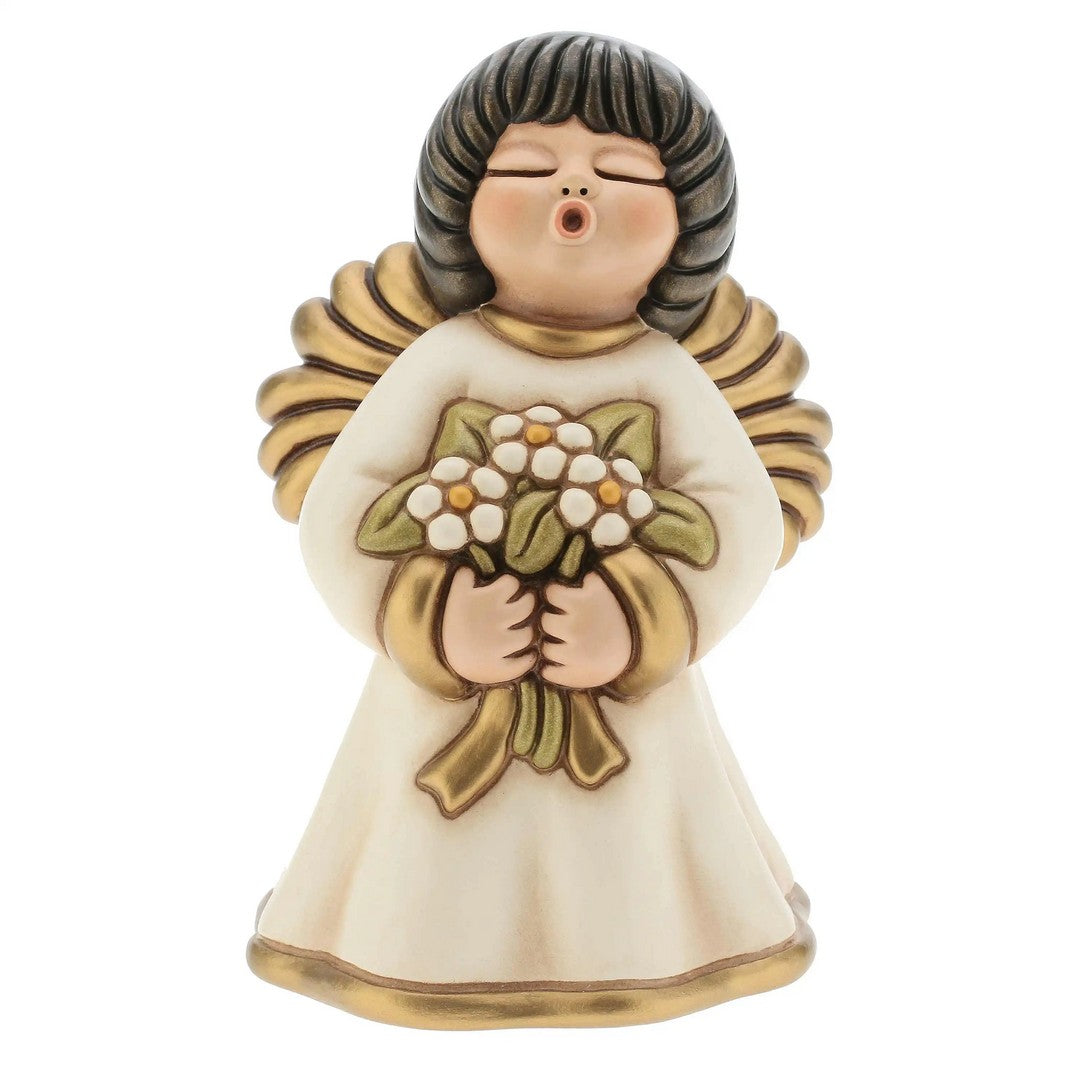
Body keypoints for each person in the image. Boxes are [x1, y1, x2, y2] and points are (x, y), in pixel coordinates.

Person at [250, 31, 830, 1029]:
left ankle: (646, 942)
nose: (575, 193)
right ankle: (421, 949)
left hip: (632, 711)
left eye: (620, 174)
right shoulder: (443, 363)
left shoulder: (664, 376)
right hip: (440, 697)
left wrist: (639, 622)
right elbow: (348, 511)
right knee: (430, 867)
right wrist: (432, 618)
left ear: (687, 226)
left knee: (629, 853)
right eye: (528, 167)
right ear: (461, 206)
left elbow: (733, 521)